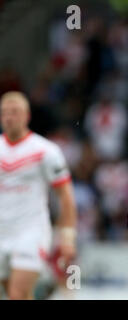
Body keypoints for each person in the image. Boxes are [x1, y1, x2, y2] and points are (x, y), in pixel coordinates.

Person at [0, 91, 77, 299]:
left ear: (26, 116)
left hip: (30, 231)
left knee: (17, 293)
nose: (9, 117)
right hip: (2, 231)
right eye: (5, 113)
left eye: (14, 112)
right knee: (13, 294)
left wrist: (67, 237)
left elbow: (66, 196)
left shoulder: (45, 151)